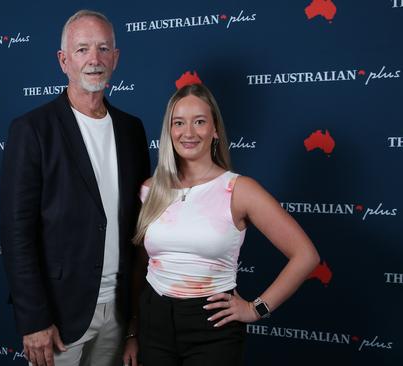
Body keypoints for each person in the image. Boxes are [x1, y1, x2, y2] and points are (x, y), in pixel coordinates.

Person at [126, 83, 320, 365]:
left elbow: (306, 256)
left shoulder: (240, 190)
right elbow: (140, 266)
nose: (188, 132)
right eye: (179, 123)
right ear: (169, 131)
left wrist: (256, 309)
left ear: (215, 130)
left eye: (200, 122)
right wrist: (132, 331)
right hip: (153, 322)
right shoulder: (150, 189)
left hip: (212, 327)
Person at [0, 9, 150, 366]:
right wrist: (34, 319)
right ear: (63, 60)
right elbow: (16, 233)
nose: (94, 59)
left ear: (116, 58)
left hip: (119, 312)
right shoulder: (32, 130)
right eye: (82, 49)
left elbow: (139, 226)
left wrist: (134, 323)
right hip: (59, 317)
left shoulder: (132, 130)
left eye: (103, 48)